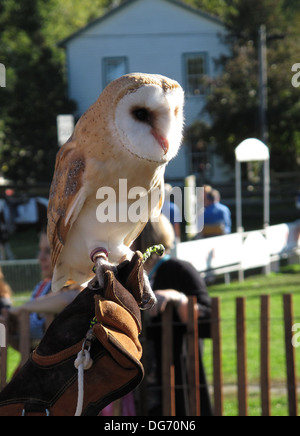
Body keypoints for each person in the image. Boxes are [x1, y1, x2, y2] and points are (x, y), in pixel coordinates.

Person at [135, 214, 213, 416]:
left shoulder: (180, 270)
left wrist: (177, 298)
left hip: (177, 372)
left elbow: (208, 321)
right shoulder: (132, 276)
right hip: (141, 376)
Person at [7, 230, 83, 351]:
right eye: (40, 250)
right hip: (40, 366)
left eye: (48, 251)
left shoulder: (84, 284)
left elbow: (70, 299)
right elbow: (26, 348)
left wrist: (22, 308)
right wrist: (8, 328)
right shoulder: (41, 288)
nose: (40, 258)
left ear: (69, 254)